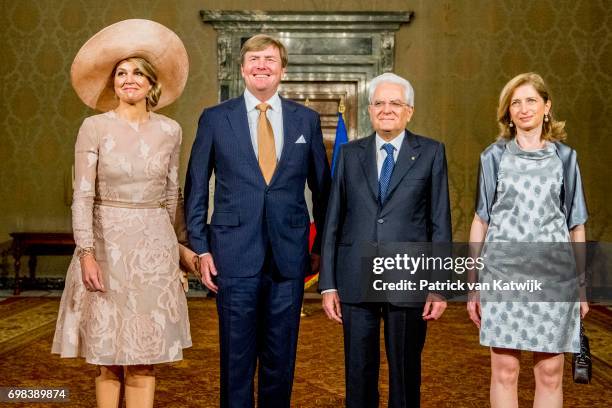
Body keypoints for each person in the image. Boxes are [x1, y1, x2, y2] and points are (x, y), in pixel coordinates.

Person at [52, 19, 192, 408]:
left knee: (145, 360)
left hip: (153, 251)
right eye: (121, 73)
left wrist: (179, 252)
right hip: (106, 247)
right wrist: (86, 252)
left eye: (138, 73)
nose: (129, 79)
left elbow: (170, 193)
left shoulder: (171, 130)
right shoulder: (93, 127)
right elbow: (82, 195)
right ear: (113, 83)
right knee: (108, 359)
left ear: (152, 84)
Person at [184, 34, 331, 407]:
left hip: (289, 257)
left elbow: (324, 191)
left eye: (269, 59)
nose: (261, 65)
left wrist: (319, 249)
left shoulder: (306, 121)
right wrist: (200, 248)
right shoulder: (216, 119)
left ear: (282, 69)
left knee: (281, 357)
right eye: (254, 58)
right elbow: (197, 187)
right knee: (236, 358)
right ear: (242, 68)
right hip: (232, 254)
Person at [319, 72, 452, 408]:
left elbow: (439, 222)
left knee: (405, 373)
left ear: (409, 110)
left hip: (409, 277)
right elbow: (333, 221)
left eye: (395, 103)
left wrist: (439, 285)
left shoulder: (431, 152)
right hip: (354, 277)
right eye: (379, 103)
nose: (387, 109)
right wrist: (328, 284)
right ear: (369, 110)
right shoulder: (350, 154)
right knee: (358, 372)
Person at [466, 72, 589, 408]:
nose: (523, 108)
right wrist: (473, 282)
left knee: (549, 373)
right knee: (504, 371)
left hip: (554, 277)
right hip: (503, 276)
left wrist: (581, 286)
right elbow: (481, 220)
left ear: (546, 106)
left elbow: (576, 225)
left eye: (531, 100)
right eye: (515, 102)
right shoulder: (493, 157)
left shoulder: (566, 158)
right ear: (507, 112)